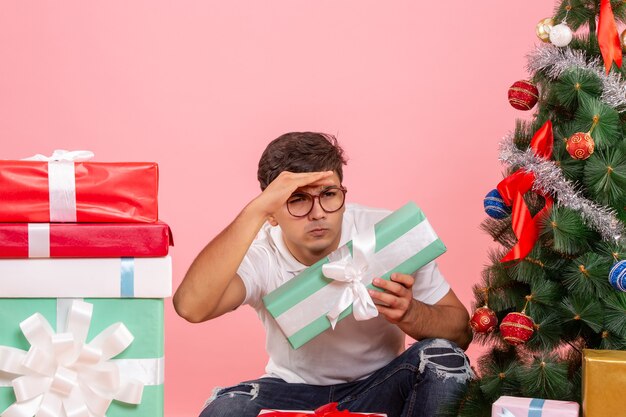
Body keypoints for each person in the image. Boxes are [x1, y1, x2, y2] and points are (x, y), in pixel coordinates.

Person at [173, 132, 473, 417]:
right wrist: (255, 212)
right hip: (292, 391)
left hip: (381, 385)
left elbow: (461, 332)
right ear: (272, 210)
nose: (317, 213)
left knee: (444, 358)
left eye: (329, 194)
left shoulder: (386, 237)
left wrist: (411, 313)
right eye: (298, 199)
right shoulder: (261, 253)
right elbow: (190, 307)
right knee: (227, 409)